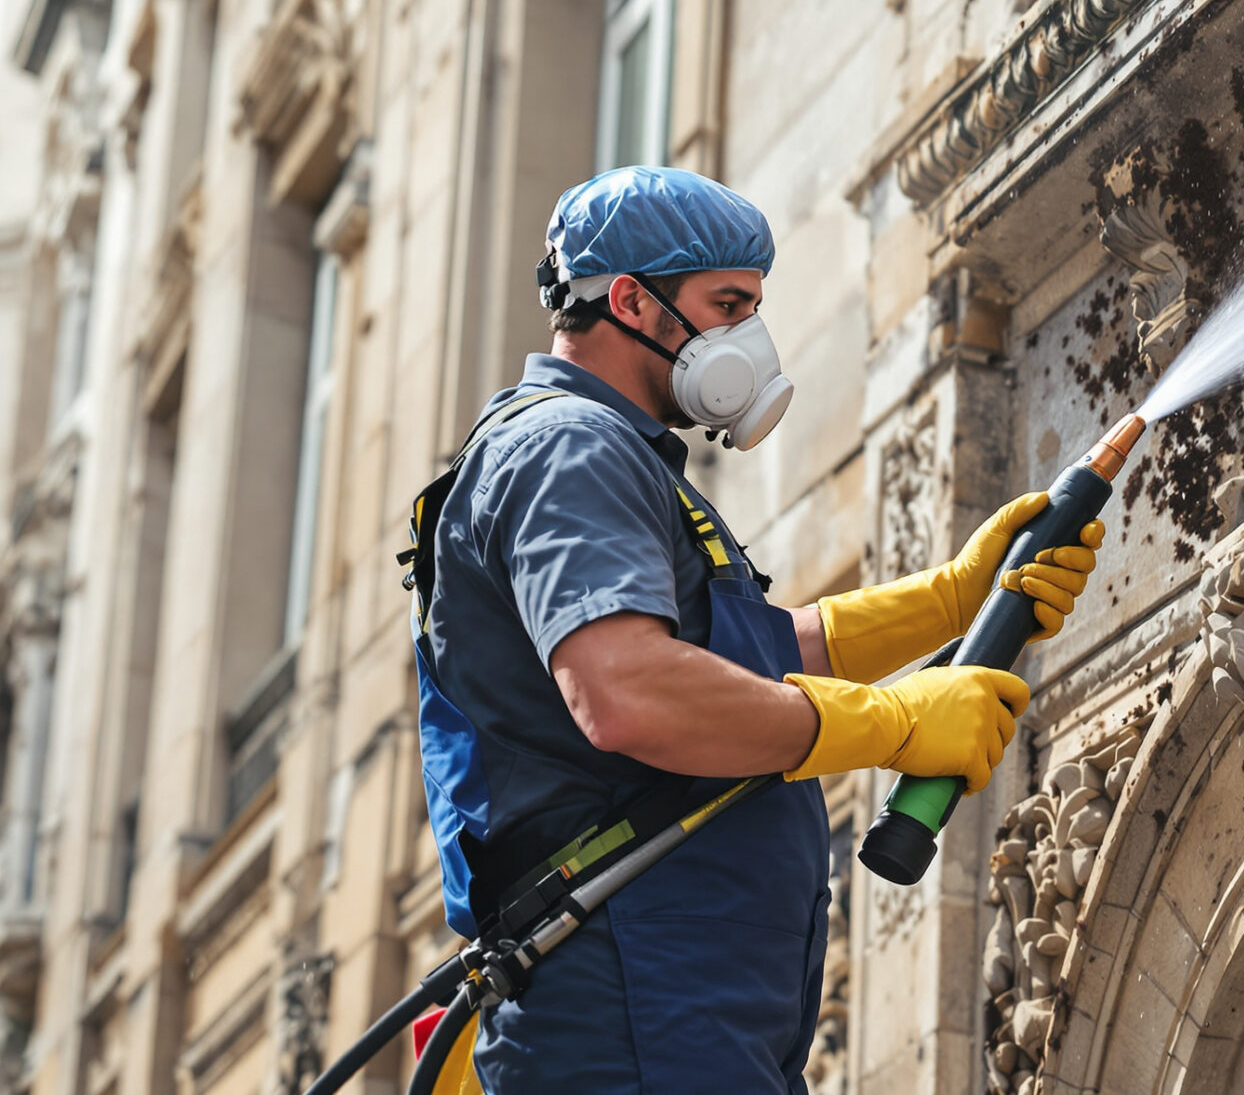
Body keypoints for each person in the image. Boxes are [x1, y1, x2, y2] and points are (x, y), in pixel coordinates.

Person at [412, 167, 1103, 1092]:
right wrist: (889, 722)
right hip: (633, 1006)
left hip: (677, 1006)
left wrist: (948, 600)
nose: (748, 339)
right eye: (727, 306)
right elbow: (628, 690)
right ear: (631, 301)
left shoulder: (610, 458)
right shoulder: (569, 447)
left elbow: (741, 655)